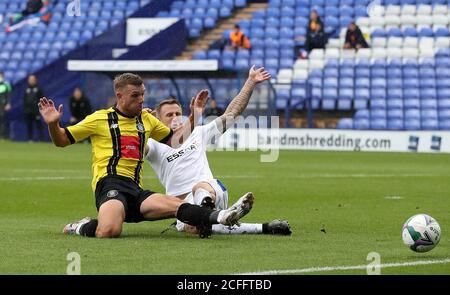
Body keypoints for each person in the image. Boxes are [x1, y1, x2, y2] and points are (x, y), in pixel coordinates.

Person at [37, 73, 252, 239]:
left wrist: (195, 114)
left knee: (177, 206)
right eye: (135, 96)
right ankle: (80, 226)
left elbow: (175, 141)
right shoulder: (100, 118)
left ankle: (223, 217)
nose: (141, 100)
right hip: (111, 184)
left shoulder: (146, 121)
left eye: (142, 94)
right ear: (119, 96)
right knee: (109, 231)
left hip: (136, 190)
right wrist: (54, 124)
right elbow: (62, 140)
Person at [145, 66, 291, 237]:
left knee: (200, 188)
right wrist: (139, 121)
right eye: (169, 115)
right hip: (181, 205)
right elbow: (132, 141)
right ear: (157, 119)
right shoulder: (153, 144)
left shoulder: (197, 132)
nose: (176, 117)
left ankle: (206, 211)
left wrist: (250, 82)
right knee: (193, 228)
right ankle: (264, 227)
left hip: (211, 190)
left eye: (178, 112)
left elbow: (232, 114)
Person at [24, 74, 44, 141]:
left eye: (33, 79)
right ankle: (30, 139)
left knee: (39, 125)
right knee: (29, 126)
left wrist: (40, 109)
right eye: (30, 79)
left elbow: (42, 99)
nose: (31, 81)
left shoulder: (38, 89)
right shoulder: (26, 89)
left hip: (36, 111)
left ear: (35, 80)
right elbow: (24, 100)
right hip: (28, 111)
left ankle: (41, 139)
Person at [0, 72, 12, 140]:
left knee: (2, 120)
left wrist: (8, 103)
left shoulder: (6, 85)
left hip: (2, 105)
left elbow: (9, 95)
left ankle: (2, 136)